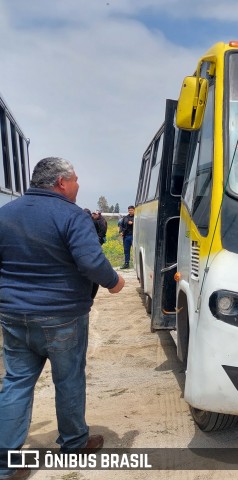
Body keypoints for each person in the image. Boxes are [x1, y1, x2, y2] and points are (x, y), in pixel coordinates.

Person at [0, 157, 125, 480]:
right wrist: (114, 281)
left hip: (14, 315)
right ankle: (73, 444)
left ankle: (3, 463)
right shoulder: (71, 216)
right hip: (62, 317)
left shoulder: (5, 214)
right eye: (76, 179)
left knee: (15, 382)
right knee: (68, 380)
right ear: (61, 183)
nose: (78, 185)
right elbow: (91, 261)